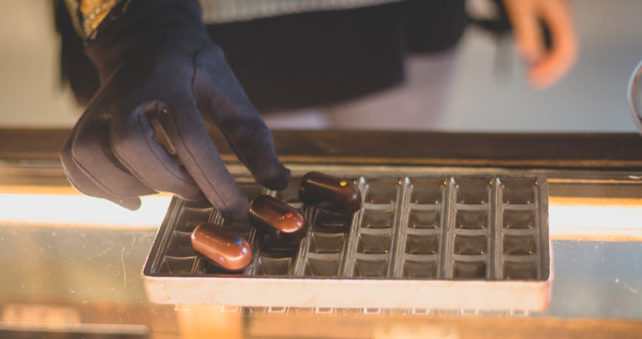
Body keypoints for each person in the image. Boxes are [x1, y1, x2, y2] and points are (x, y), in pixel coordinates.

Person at [58, 0, 577, 220]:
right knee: (240, 216)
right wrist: (133, 24)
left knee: (396, 211)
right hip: (199, 37)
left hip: (401, 19)